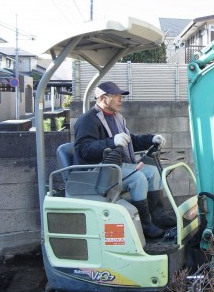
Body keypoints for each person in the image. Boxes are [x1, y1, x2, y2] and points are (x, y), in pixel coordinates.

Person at [73, 81, 171, 239]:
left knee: (152, 172)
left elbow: (130, 140)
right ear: (104, 98)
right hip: (98, 170)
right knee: (137, 177)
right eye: (117, 96)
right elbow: (84, 150)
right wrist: (111, 141)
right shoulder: (87, 120)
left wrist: (151, 139)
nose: (121, 99)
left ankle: (158, 216)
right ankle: (146, 224)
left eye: (121, 96)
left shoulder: (117, 118)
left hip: (116, 166)